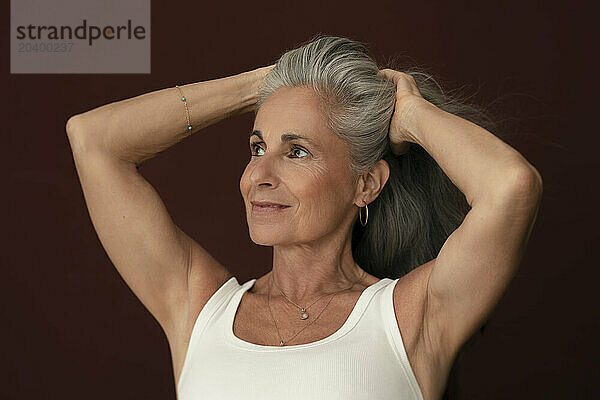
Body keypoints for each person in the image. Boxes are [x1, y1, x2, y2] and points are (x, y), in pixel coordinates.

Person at [65, 35, 542, 400]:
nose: (258, 175)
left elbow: (511, 187)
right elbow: (92, 139)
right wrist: (262, 84)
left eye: (296, 151)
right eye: (256, 147)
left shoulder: (409, 319)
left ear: (366, 184)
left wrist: (411, 113)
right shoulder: (198, 308)